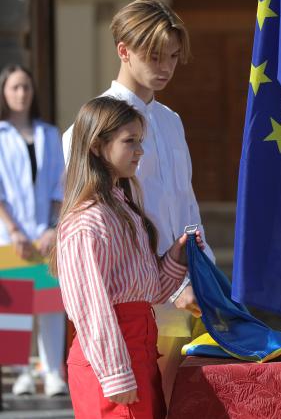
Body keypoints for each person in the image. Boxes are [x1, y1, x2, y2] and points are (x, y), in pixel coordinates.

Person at [62, 0, 215, 405]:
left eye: (173, 57)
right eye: (154, 56)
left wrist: (204, 274)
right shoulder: (91, 126)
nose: (165, 67)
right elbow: (93, 226)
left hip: (186, 291)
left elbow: (187, 202)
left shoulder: (171, 120)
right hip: (135, 305)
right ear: (123, 50)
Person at [52, 97, 200, 418]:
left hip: (140, 353)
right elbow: (91, 307)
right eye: (129, 141)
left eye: (140, 141)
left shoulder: (124, 209)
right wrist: (115, 373)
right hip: (111, 362)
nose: (139, 150)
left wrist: (177, 255)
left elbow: (148, 292)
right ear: (96, 146)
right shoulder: (86, 221)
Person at [0, 64, 68, 397]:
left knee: (50, 305)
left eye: (26, 87)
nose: (21, 93)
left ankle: (52, 372)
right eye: (14, 87)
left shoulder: (49, 134)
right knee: (14, 306)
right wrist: (13, 230)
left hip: (45, 235)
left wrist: (52, 228)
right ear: (4, 92)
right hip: (10, 236)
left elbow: (60, 185)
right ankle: (22, 372)